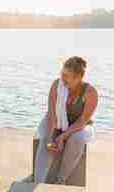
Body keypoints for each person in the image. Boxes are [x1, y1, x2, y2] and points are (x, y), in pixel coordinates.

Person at [34, 56, 98, 185]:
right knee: (45, 139)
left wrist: (63, 137)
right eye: (62, 74)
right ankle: (38, 184)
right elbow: (52, 114)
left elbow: (83, 120)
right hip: (56, 121)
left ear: (78, 77)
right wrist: (49, 138)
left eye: (66, 76)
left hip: (79, 125)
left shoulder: (90, 92)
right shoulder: (57, 85)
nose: (62, 78)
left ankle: (60, 180)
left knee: (77, 139)